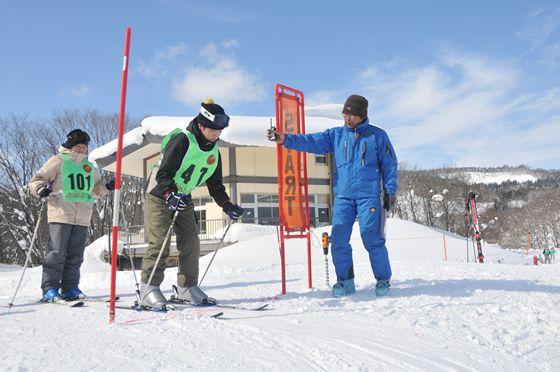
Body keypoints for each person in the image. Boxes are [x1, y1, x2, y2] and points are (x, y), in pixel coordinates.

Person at [267, 94, 398, 297]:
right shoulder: (335, 135)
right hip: (343, 197)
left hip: (368, 196)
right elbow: (310, 141)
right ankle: (346, 282)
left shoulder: (377, 136)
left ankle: (383, 280)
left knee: (372, 238)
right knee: (338, 240)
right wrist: (284, 139)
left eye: (353, 115)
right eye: (345, 113)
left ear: (362, 116)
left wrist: (390, 190)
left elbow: (389, 164)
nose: (348, 118)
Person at [140, 99, 243, 309]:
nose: (216, 134)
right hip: (160, 194)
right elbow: (164, 173)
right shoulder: (182, 140)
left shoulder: (214, 152)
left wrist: (227, 205)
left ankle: (187, 287)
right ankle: (148, 288)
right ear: (201, 125)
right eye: (213, 130)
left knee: (191, 241)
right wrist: (170, 194)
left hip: (183, 197)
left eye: (220, 130)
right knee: (160, 242)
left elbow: (215, 186)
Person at [29, 129, 114, 302]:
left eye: (84, 146)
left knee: (76, 256)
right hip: (61, 213)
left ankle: (70, 288)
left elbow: (95, 191)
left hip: (82, 216)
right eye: (78, 146)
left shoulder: (89, 167)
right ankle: (49, 289)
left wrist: (108, 187)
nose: (81, 149)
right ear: (70, 145)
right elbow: (37, 179)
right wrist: (41, 189)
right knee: (56, 253)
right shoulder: (58, 161)